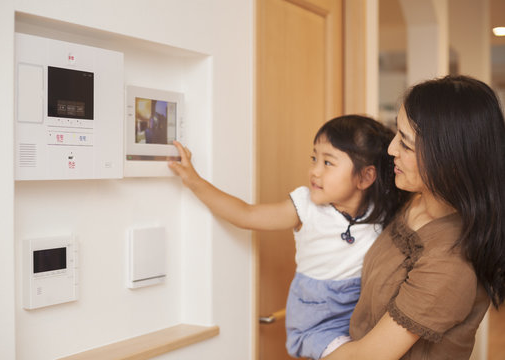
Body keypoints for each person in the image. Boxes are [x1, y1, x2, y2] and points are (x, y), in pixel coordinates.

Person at [168, 115, 408, 359]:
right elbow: (245, 214)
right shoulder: (305, 208)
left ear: (365, 177)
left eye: (328, 163)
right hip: (317, 321)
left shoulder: (382, 213)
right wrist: (194, 181)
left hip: (358, 314)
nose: (314, 171)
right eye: (314, 158)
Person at [323, 75, 505, 360]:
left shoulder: (450, 262)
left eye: (405, 144)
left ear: (449, 157)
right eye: (396, 134)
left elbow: (368, 356)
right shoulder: (414, 199)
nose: (391, 149)